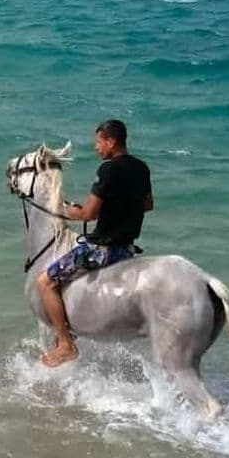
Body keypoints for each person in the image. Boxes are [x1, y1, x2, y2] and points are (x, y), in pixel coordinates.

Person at [37, 119, 153, 367]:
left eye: (99, 142)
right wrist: (115, 207)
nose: (97, 148)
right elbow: (147, 205)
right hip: (127, 250)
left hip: (103, 251)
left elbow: (88, 214)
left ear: (111, 141)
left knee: (45, 282)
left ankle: (66, 344)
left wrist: (69, 212)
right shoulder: (142, 168)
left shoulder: (108, 169)